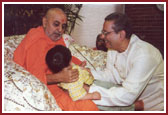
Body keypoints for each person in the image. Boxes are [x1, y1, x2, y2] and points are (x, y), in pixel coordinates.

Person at [13, 8, 99, 111]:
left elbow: (65, 58)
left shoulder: (57, 38)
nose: (60, 30)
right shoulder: (37, 42)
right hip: (48, 89)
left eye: (63, 26)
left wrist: (79, 67)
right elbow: (34, 78)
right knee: (88, 107)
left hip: (64, 84)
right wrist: (59, 77)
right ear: (45, 22)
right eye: (56, 24)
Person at [84, 12, 164, 111]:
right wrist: (88, 72)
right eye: (102, 32)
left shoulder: (144, 55)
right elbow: (111, 75)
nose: (102, 37)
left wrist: (90, 92)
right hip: (130, 97)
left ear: (121, 35)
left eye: (106, 33)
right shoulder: (113, 48)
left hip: (152, 105)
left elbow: (127, 95)